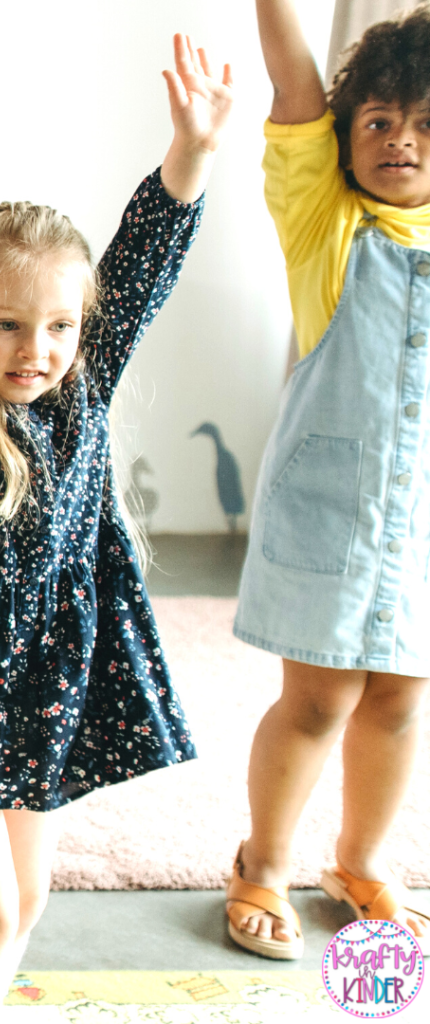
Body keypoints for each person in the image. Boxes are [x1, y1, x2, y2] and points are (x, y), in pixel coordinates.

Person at [0, 17, 232, 1022]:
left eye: (59, 325)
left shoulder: (85, 386)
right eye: (8, 325)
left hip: (46, 676)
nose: (38, 348)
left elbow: (144, 258)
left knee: (26, 899)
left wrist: (190, 150)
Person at [227, 0, 430, 961]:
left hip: (423, 528)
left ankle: (359, 861)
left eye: (427, 124)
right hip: (327, 519)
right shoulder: (326, 223)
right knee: (317, 703)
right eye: (379, 121)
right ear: (345, 142)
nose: (400, 140)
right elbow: (296, 85)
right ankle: (262, 865)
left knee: (397, 702)